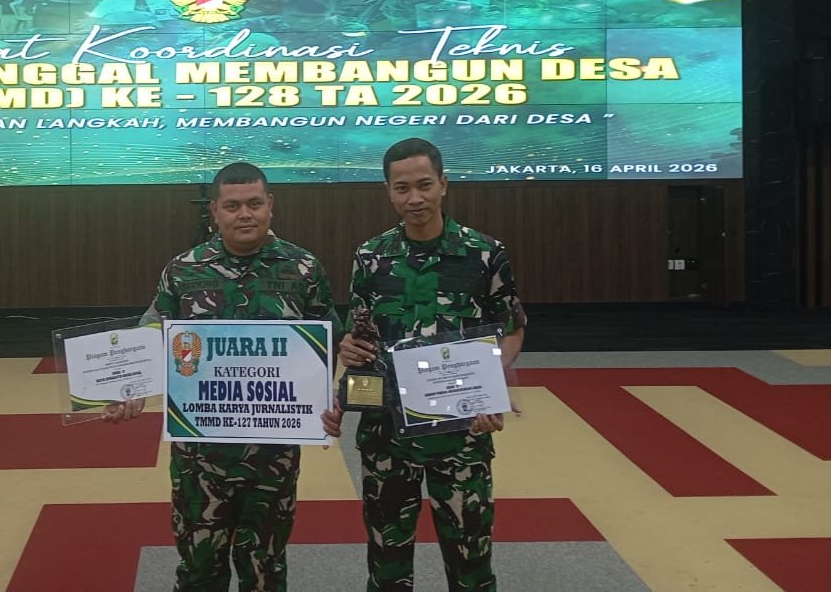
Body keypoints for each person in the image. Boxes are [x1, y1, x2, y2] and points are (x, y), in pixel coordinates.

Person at [103, 162, 340, 592]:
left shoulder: (303, 269)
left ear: (270, 204)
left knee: (265, 570)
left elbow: (328, 341)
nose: (244, 214)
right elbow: (150, 337)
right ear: (214, 210)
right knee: (199, 570)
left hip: (273, 456)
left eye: (254, 203)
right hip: (199, 457)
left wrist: (326, 401)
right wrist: (126, 388)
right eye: (232, 206)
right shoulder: (183, 270)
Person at [329, 137, 526, 592]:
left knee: (471, 563)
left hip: (461, 433)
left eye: (424, 185)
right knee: (387, 566)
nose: (414, 198)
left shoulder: (484, 253)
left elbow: (513, 328)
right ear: (388, 191)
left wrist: (490, 386)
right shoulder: (370, 256)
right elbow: (360, 335)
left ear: (443, 184)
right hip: (386, 436)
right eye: (402, 188)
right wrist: (348, 351)